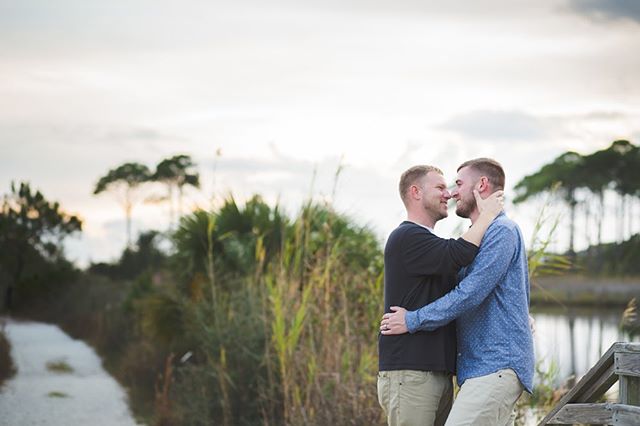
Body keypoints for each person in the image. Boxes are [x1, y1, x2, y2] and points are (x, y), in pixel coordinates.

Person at [380, 158, 535, 426]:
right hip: (473, 369)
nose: (452, 193)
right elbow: (461, 270)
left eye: (458, 184)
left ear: (482, 185)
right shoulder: (417, 238)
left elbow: (469, 293)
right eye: (443, 187)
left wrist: (412, 319)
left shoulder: (500, 231)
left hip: (496, 365)